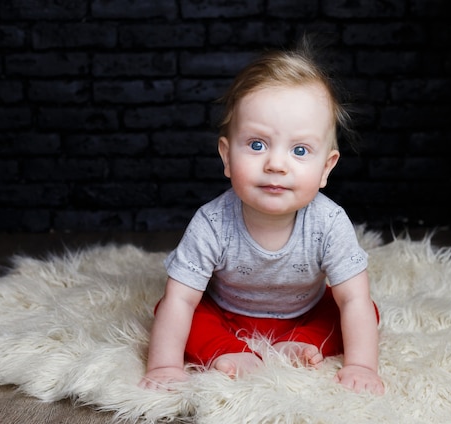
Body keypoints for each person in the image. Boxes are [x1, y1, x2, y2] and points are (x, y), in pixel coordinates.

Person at [139, 36, 384, 395]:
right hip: (226, 315)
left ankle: (301, 343)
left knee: (363, 310)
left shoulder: (329, 223)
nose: (276, 164)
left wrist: (362, 366)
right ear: (226, 156)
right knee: (171, 309)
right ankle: (228, 351)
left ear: (326, 168)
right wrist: (163, 366)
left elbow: (353, 298)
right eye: (257, 145)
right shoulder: (212, 223)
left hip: (304, 315)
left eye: (300, 150)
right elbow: (182, 298)